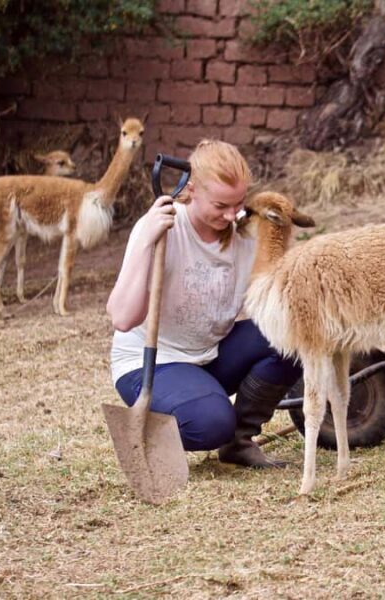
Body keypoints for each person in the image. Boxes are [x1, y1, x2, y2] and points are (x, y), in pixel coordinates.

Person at [107, 139, 301, 468]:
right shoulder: (164, 227)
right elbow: (123, 318)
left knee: (290, 334)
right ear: (192, 189)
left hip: (208, 355)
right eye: (220, 205)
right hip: (152, 364)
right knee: (211, 424)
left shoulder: (244, 234)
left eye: (238, 204)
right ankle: (192, 420)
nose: (231, 215)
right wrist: (144, 240)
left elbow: (275, 297)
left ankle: (239, 442)